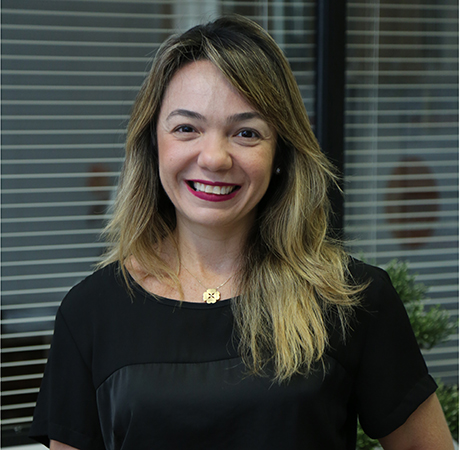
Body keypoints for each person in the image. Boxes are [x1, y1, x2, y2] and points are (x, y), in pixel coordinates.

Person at [29, 15, 453, 450]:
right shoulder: (91, 313)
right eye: (186, 128)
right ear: (152, 143)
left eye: (246, 132)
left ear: (281, 153)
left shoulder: (351, 298)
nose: (214, 157)